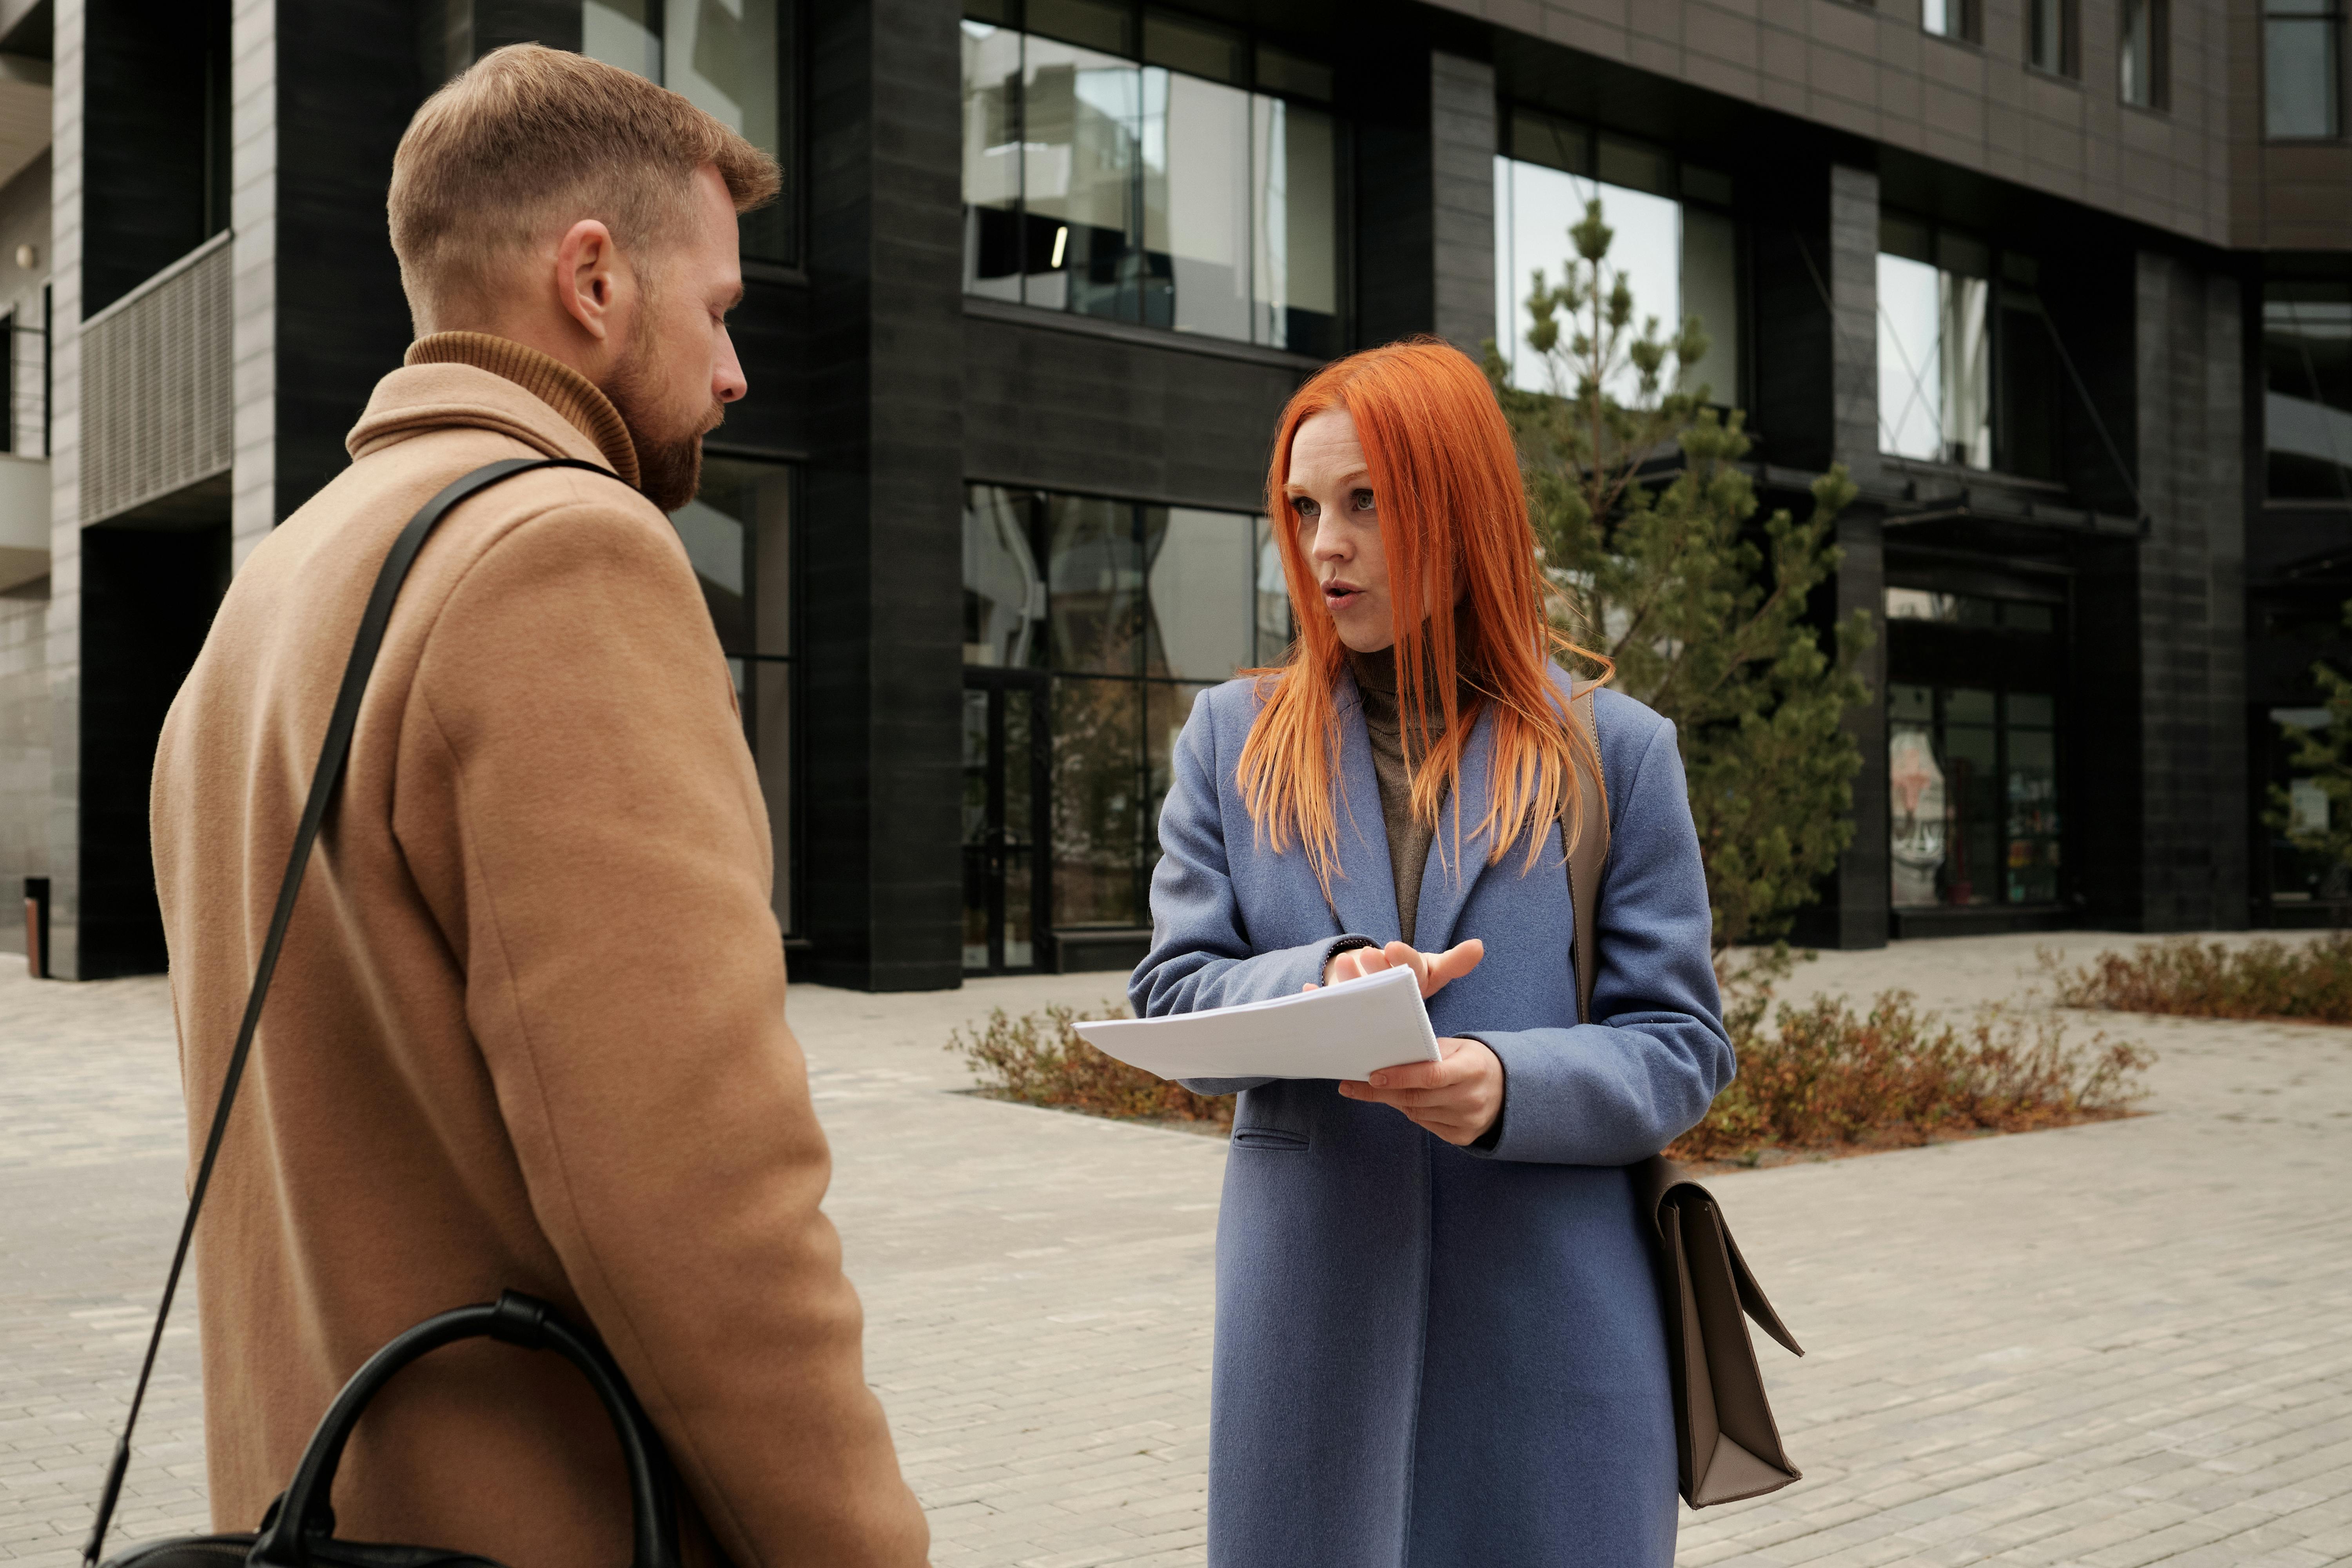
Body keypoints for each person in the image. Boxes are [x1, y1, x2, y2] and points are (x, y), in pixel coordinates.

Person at [150, 45, 928, 1568]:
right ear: (592, 279)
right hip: (546, 1527)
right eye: (716, 309)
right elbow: (700, 1200)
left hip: (316, 1516)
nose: (734, 371)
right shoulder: (563, 558)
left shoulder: (280, 583)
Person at [1131, 338, 1734, 1566]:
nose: (1323, 546)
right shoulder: (1231, 741)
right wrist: (1321, 982)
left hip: (1550, 1333)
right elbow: (1174, 991)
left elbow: (1681, 1046)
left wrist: (1508, 1084)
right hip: (1311, 1339)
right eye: (1303, 508)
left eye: (1365, 503)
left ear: (1457, 510)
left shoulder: (1616, 754)